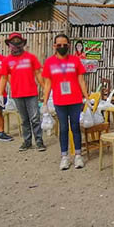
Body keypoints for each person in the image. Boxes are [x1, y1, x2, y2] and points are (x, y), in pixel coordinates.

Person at [42, 34, 90, 170]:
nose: (62, 47)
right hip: (60, 101)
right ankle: (64, 157)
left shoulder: (75, 60)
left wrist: (86, 97)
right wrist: (45, 102)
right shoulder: (49, 62)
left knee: (75, 127)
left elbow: (81, 80)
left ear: (69, 46)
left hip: (75, 100)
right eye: (59, 45)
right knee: (63, 128)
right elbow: (48, 83)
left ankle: (78, 155)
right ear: (54, 46)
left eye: (64, 45)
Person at [0, 32, 46, 152]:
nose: (16, 45)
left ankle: (39, 141)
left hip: (31, 93)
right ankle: (27, 142)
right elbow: (4, 77)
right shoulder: (7, 61)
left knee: (35, 118)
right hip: (17, 94)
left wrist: (45, 88)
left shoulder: (31, 57)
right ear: (9, 45)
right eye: (13, 43)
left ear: (23, 44)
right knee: (24, 120)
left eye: (18, 42)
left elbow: (38, 73)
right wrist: (0, 93)